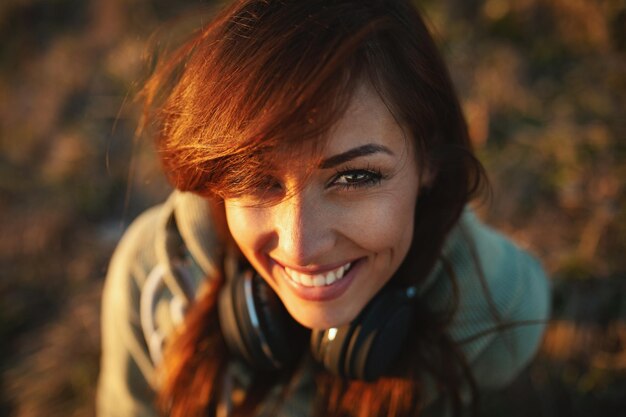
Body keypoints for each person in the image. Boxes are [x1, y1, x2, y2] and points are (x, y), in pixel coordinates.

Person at [96, 1, 550, 416]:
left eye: (355, 177)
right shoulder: (151, 277)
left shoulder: (495, 313)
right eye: (257, 180)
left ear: (429, 159)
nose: (301, 245)